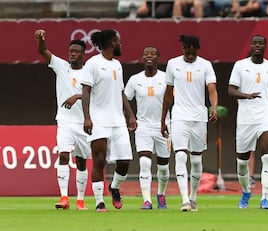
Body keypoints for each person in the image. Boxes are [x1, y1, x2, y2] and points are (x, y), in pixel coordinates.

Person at [80, 29, 137, 212]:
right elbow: (85, 91)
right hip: (98, 120)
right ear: (112, 42)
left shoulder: (118, 65)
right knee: (99, 159)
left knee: (125, 161)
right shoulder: (92, 64)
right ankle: (99, 201)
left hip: (118, 120)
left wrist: (130, 115)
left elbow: (121, 93)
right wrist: (87, 117)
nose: (121, 44)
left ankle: (114, 187)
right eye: (118, 41)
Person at [34, 29, 90, 210]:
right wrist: (41, 39)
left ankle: (80, 199)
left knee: (81, 161)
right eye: (71, 51)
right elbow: (43, 51)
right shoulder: (61, 66)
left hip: (84, 123)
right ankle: (64, 197)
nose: (72, 54)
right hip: (65, 122)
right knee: (63, 155)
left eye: (76, 51)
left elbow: (97, 94)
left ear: (83, 54)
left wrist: (78, 96)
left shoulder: (89, 72)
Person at [161, 34, 218, 212]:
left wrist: (214, 107)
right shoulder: (172, 64)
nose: (191, 55)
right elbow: (168, 93)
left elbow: (212, 89)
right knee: (179, 156)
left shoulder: (206, 65)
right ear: (183, 48)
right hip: (179, 116)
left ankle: (193, 196)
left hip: (199, 117)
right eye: (188, 51)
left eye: (194, 52)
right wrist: (163, 118)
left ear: (198, 50)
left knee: (196, 160)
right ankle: (184, 199)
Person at [228, 34, 268, 210]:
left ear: (266, 47)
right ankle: (246, 191)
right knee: (242, 161)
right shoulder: (240, 66)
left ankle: (265, 198)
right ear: (250, 46)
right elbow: (230, 90)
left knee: (267, 153)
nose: (257, 46)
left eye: (261, 43)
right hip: (245, 119)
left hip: (265, 116)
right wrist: (246, 96)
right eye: (254, 43)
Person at [124, 46, 171, 210]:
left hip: (163, 127)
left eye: (152, 54)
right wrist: (131, 117)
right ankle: (147, 200)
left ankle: (161, 194)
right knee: (144, 162)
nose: (149, 56)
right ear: (142, 58)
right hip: (143, 126)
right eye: (145, 54)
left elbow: (175, 100)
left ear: (159, 58)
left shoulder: (166, 78)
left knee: (163, 167)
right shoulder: (134, 79)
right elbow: (124, 97)